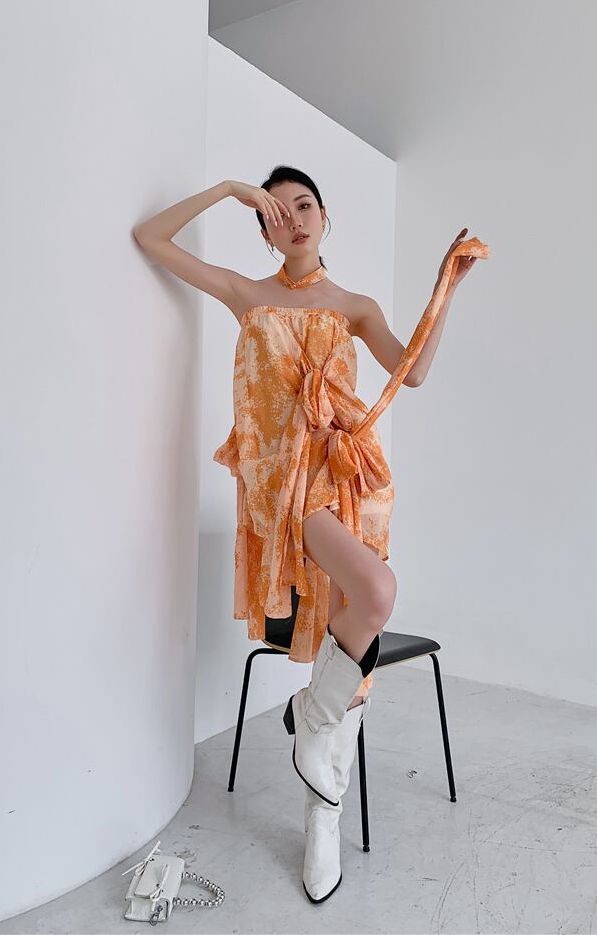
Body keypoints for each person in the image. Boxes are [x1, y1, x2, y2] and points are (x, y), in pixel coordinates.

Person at [132, 166, 478, 904]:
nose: (292, 218)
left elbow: (411, 373)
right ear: (263, 227)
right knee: (378, 592)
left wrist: (445, 287)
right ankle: (315, 726)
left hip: (344, 483)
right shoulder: (245, 294)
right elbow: (150, 238)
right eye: (276, 210)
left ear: (324, 217)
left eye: (304, 205)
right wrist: (230, 190)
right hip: (279, 493)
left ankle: (323, 804)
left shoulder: (354, 306)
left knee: (360, 618)